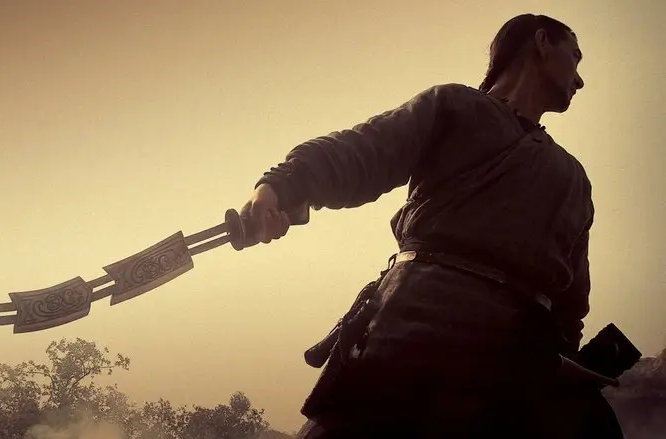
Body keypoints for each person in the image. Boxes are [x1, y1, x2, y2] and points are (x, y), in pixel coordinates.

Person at [239, 13, 625, 439]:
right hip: (405, 335)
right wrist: (281, 186)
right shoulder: (456, 106)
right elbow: (366, 150)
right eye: (575, 56)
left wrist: (563, 364)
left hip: (512, 371)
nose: (580, 79)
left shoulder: (574, 178)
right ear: (541, 42)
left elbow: (570, 306)